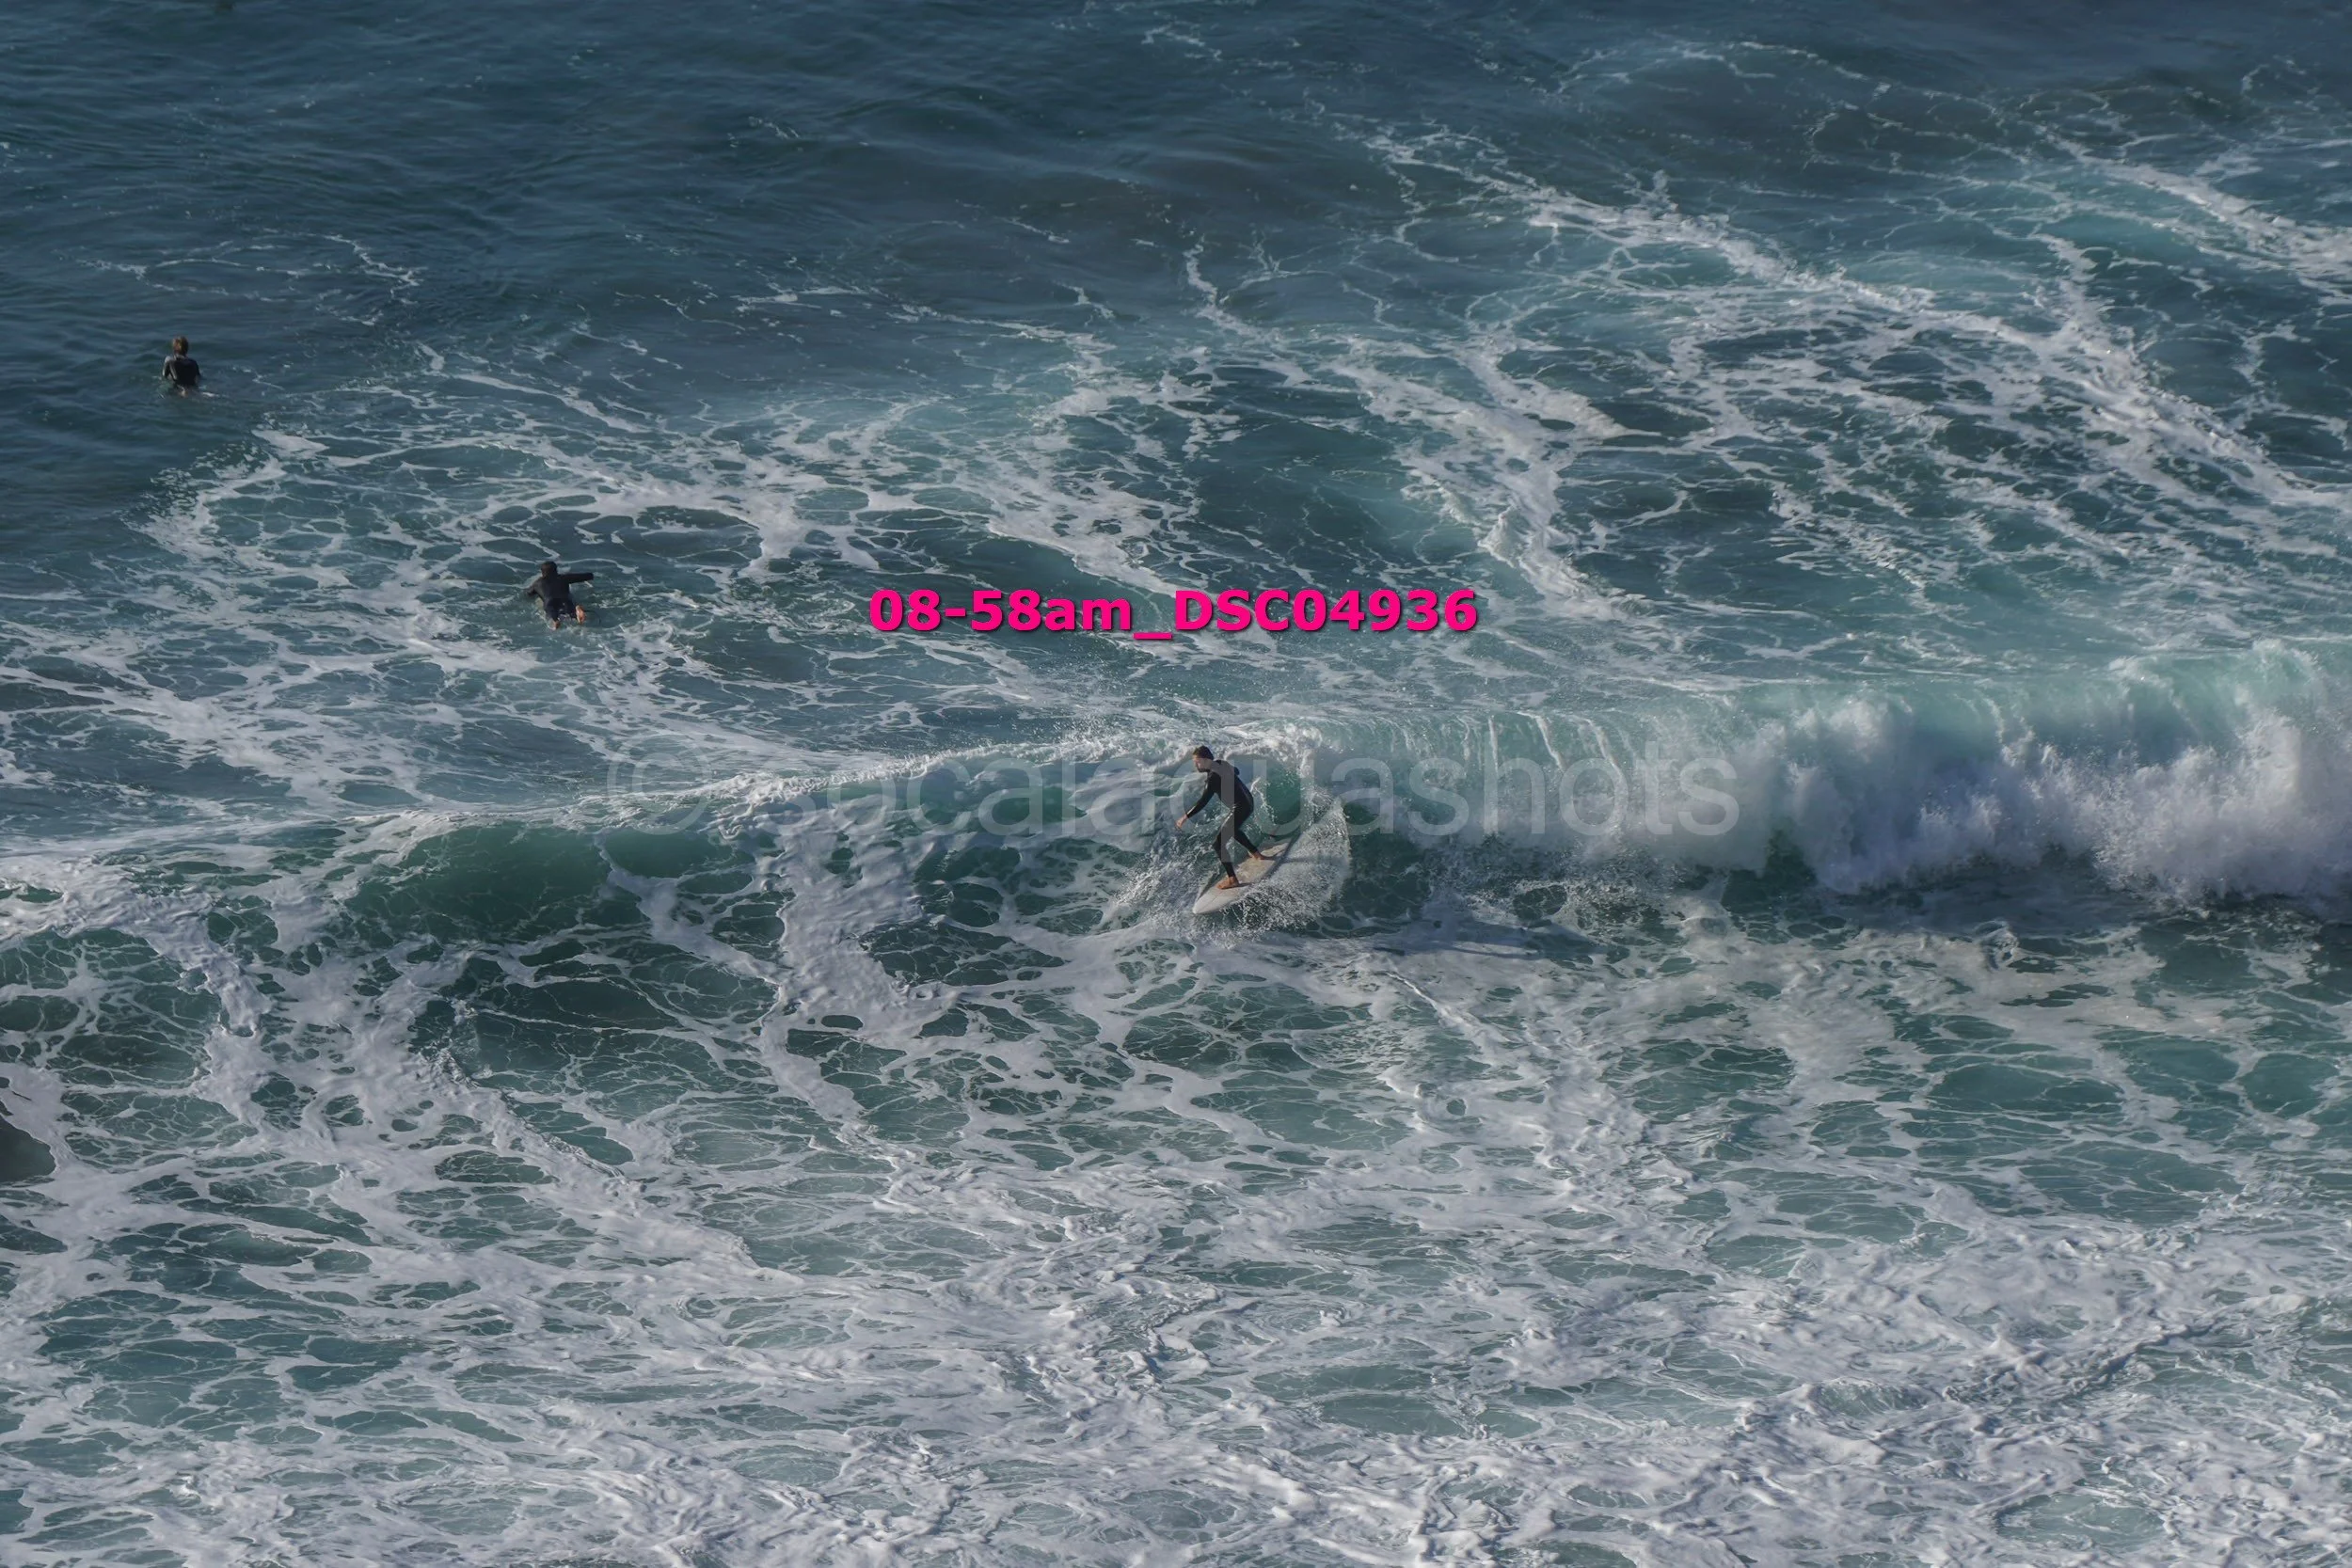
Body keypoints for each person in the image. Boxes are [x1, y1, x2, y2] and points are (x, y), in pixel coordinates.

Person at [1176, 744, 1270, 889]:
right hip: (1248, 802)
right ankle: (1256, 854)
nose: (1195, 765)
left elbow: (1203, 801)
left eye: (1198, 761)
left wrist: (1185, 816)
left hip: (1240, 807)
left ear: (1207, 760)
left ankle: (1233, 879)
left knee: (1217, 844)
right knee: (1233, 830)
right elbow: (1236, 771)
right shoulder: (1221, 764)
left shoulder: (1213, 777)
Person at [524, 560, 594, 626]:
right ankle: (577, 611)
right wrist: (591, 575)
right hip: (565, 599)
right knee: (571, 611)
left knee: (551, 612)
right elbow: (583, 577)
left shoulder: (537, 583)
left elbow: (529, 593)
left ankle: (556, 621)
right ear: (556, 571)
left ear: (542, 572)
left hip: (549, 601)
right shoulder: (564, 578)